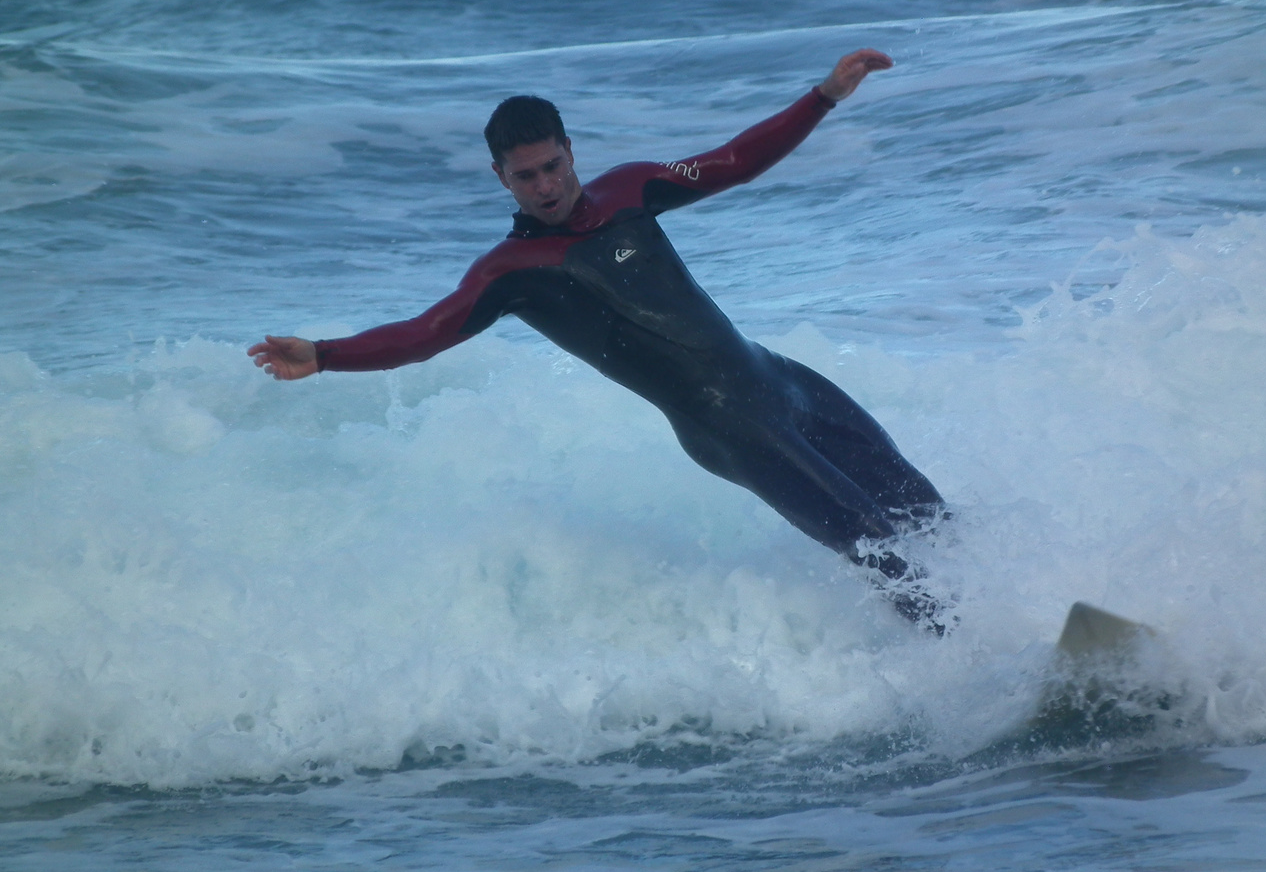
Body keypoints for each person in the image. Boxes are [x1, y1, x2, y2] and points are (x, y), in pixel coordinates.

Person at [249, 49, 948, 631]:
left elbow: (733, 160)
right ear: (501, 177)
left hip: (781, 380)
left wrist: (822, 96)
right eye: (526, 176)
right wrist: (327, 354)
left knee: (924, 510)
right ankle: (967, 659)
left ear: (569, 150)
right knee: (877, 546)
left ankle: (1008, 616)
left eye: (553, 165)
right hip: (728, 425)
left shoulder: (630, 189)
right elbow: (424, 334)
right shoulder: (511, 274)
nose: (546, 185)